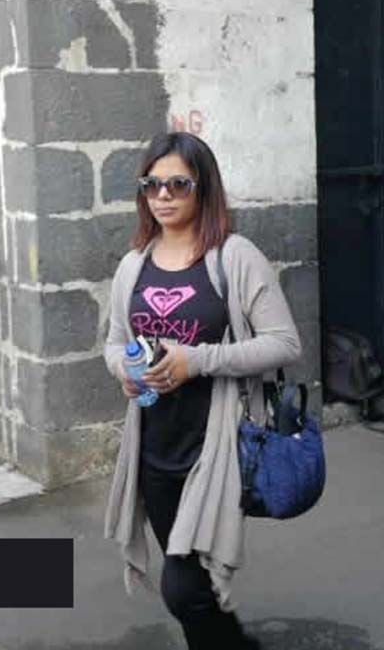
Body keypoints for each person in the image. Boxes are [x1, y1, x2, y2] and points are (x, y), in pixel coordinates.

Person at [103, 132, 300, 649]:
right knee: (195, 591)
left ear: (203, 187)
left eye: (178, 185)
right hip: (153, 446)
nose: (163, 196)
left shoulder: (234, 257)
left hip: (214, 447)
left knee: (183, 587)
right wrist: (125, 369)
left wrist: (197, 360)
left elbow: (285, 343)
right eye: (151, 185)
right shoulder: (134, 264)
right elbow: (115, 341)